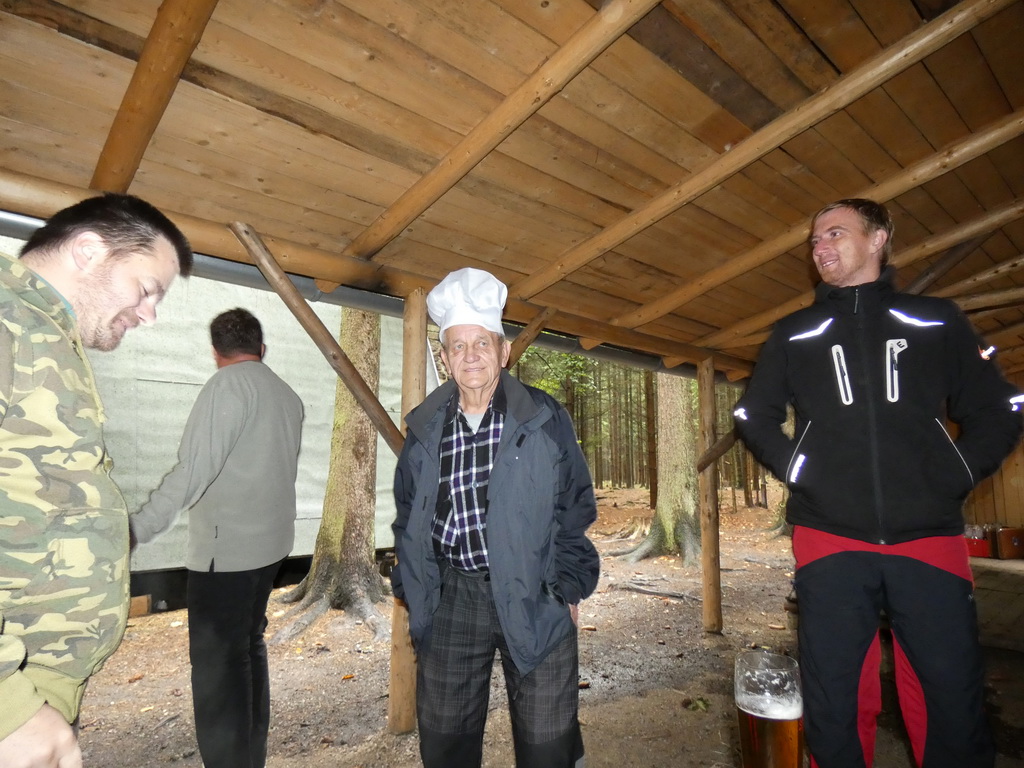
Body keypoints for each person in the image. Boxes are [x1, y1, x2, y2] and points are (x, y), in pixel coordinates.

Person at [733, 198, 1023, 768]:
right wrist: (798, 469)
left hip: (930, 536)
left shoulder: (936, 320)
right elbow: (753, 414)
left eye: (835, 233)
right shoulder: (794, 332)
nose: (820, 247)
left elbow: (1000, 408)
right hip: (829, 536)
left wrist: (958, 471)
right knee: (834, 695)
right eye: (815, 240)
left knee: (949, 693)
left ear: (878, 238)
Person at [0, 193, 193, 768]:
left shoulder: (42, 332)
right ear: (87, 250)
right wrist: (8, 706)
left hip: (37, 683)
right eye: (147, 289)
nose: (150, 315)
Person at [391, 267, 600, 768]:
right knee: (446, 742)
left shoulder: (544, 418)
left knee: (548, 740)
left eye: (481, 343)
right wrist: (413, 590)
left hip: (533, 591)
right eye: (458, 346)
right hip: (452, 597)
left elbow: (575, 504)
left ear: (503, 352)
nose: (471, 356)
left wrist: (567, 588)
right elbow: (407, 515)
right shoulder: (425, 429)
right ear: (444, 358)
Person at [129, 307, 303, 768]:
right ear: (261, 347)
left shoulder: (226, 387)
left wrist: (137, 528)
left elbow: (192, 472)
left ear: (215, 352)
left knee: (217, 671)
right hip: (269, 549)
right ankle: (250, 758)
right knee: (247, 649)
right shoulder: (286, 394)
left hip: (227, 557)